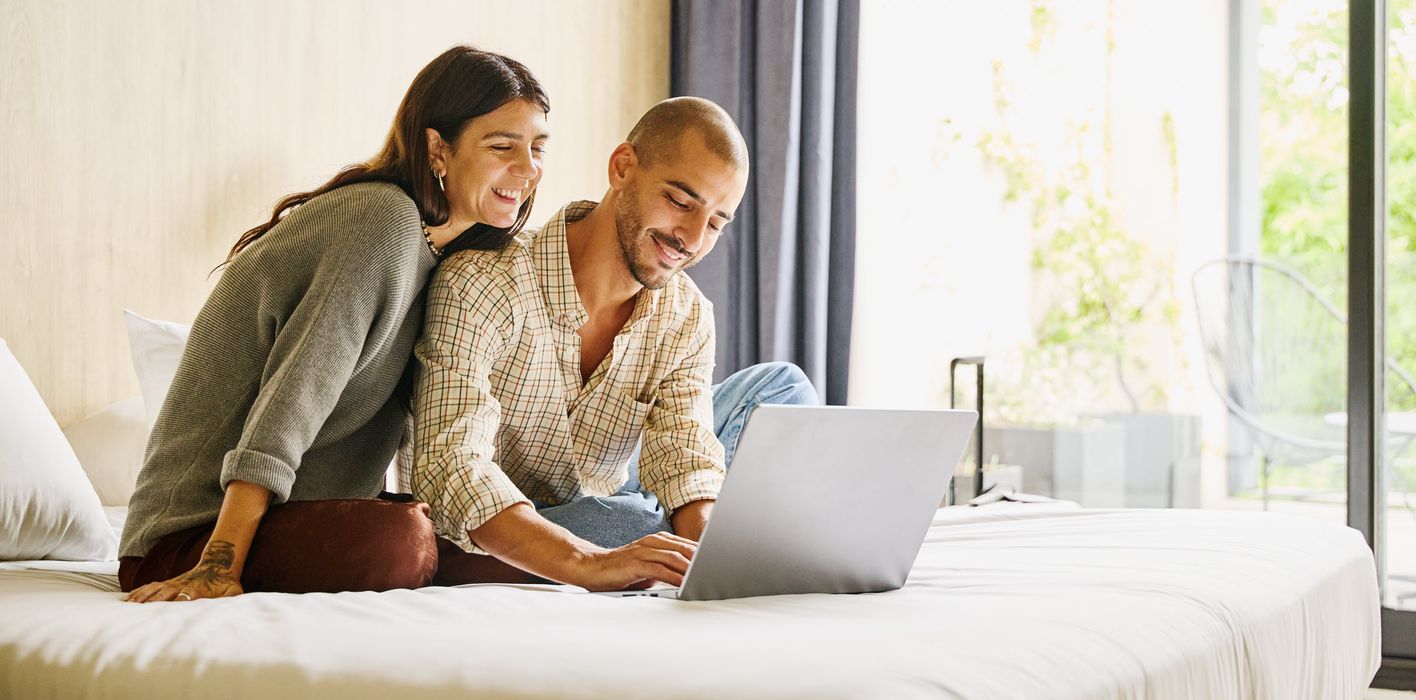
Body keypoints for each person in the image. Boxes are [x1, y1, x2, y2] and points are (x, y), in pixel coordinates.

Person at [120, 45, 551, 602]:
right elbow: (292, 400)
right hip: (195, 538)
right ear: (438, 148)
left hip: (304, 525)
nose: (528, 169)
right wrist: (216, 566)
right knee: (401, 541)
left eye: (538, 148)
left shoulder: (451, 264)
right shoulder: (381, 221)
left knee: (544, 540)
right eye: (502, 146)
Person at [413, 96, 819, 592]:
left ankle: (667, 536)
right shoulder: (482, 281)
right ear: (623, 168)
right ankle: (636, 534)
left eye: (715, 222)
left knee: (784, 387)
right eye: (679, 201)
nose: (691, 238)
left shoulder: (687, 315)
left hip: (612, 490)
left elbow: (684, 458)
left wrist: (712, 550)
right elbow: (450, 464)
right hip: (509, 521)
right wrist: (589, 561)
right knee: (621, 524)